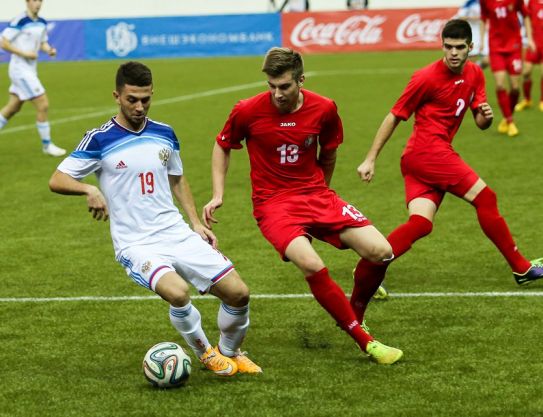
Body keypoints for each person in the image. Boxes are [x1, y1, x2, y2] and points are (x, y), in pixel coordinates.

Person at [49, 61, 261, 376]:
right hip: (136, 243)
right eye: (132, 99)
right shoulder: (98, 139)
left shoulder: (165, 133)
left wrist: (195, 222)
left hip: (175, 232)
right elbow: (57, 179)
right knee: (178, 292)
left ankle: (230, 352)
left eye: (145, 99)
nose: (139, 106)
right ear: (116, 96)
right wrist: (88, 190)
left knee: (239, 293)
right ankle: (205, 353)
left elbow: (177, 178)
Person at [203, 47, 402, 365]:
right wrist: (217, 193)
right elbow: (223, 145)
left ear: (301, 81)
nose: (277, 94)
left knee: (382, 251)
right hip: (273, 205)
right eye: (272, 86)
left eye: (284, 86)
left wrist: (322, 190)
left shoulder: (324, 108)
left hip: (317, 196)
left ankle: (355, 313)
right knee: (311, 263)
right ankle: (366, 343)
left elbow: (330, 150)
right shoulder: (247, 110)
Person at [354, 19, 543, 327]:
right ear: (441, 45)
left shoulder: (475, 73)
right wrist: (370, 158)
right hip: (428, 153)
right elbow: (394, 116)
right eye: (448, 47)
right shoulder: (425, 77)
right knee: (486, 198)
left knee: (421, 224)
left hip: (421, 158)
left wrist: (485, 117)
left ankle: (369, 264)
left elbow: (479, 122)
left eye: (459, 47)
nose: (453, 53)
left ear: (471, 47)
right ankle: (521, 267)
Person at [0, 0, 65, 156]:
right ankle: (47, 145)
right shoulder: (20, 20)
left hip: (30, 70)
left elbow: (42, 43)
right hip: (20, 70)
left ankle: (47, 145)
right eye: (34, 0)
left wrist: (49, 50)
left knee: (12, 107)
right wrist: (24, 53)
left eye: (40, 1)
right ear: (27, 2)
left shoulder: (41, 22)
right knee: (43, 103)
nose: (37, 4)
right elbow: (4, 43)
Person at [480, 0, 534, 137]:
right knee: (499, 84)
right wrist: (481, 41)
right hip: (496, 47)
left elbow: (526, 15)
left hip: (514, 46)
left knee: (515, 87)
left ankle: (506, 117)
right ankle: (510, 121)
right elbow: (483, 18)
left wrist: (530, 38)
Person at [515, 0, 543, 112]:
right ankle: (527, 99)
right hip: (534, 43)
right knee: (526, 72)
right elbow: (527, 19)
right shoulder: (532, 2)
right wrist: (529, 39)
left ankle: (542, 101)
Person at [455, 0, 489, 69]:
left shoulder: (488, 2)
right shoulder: (470, 3)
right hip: (472, 33)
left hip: (485, 33)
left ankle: (475, 71)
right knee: (472, 60)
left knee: (487, 60)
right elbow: (460, 16)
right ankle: (472, 74)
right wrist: (472, 18)